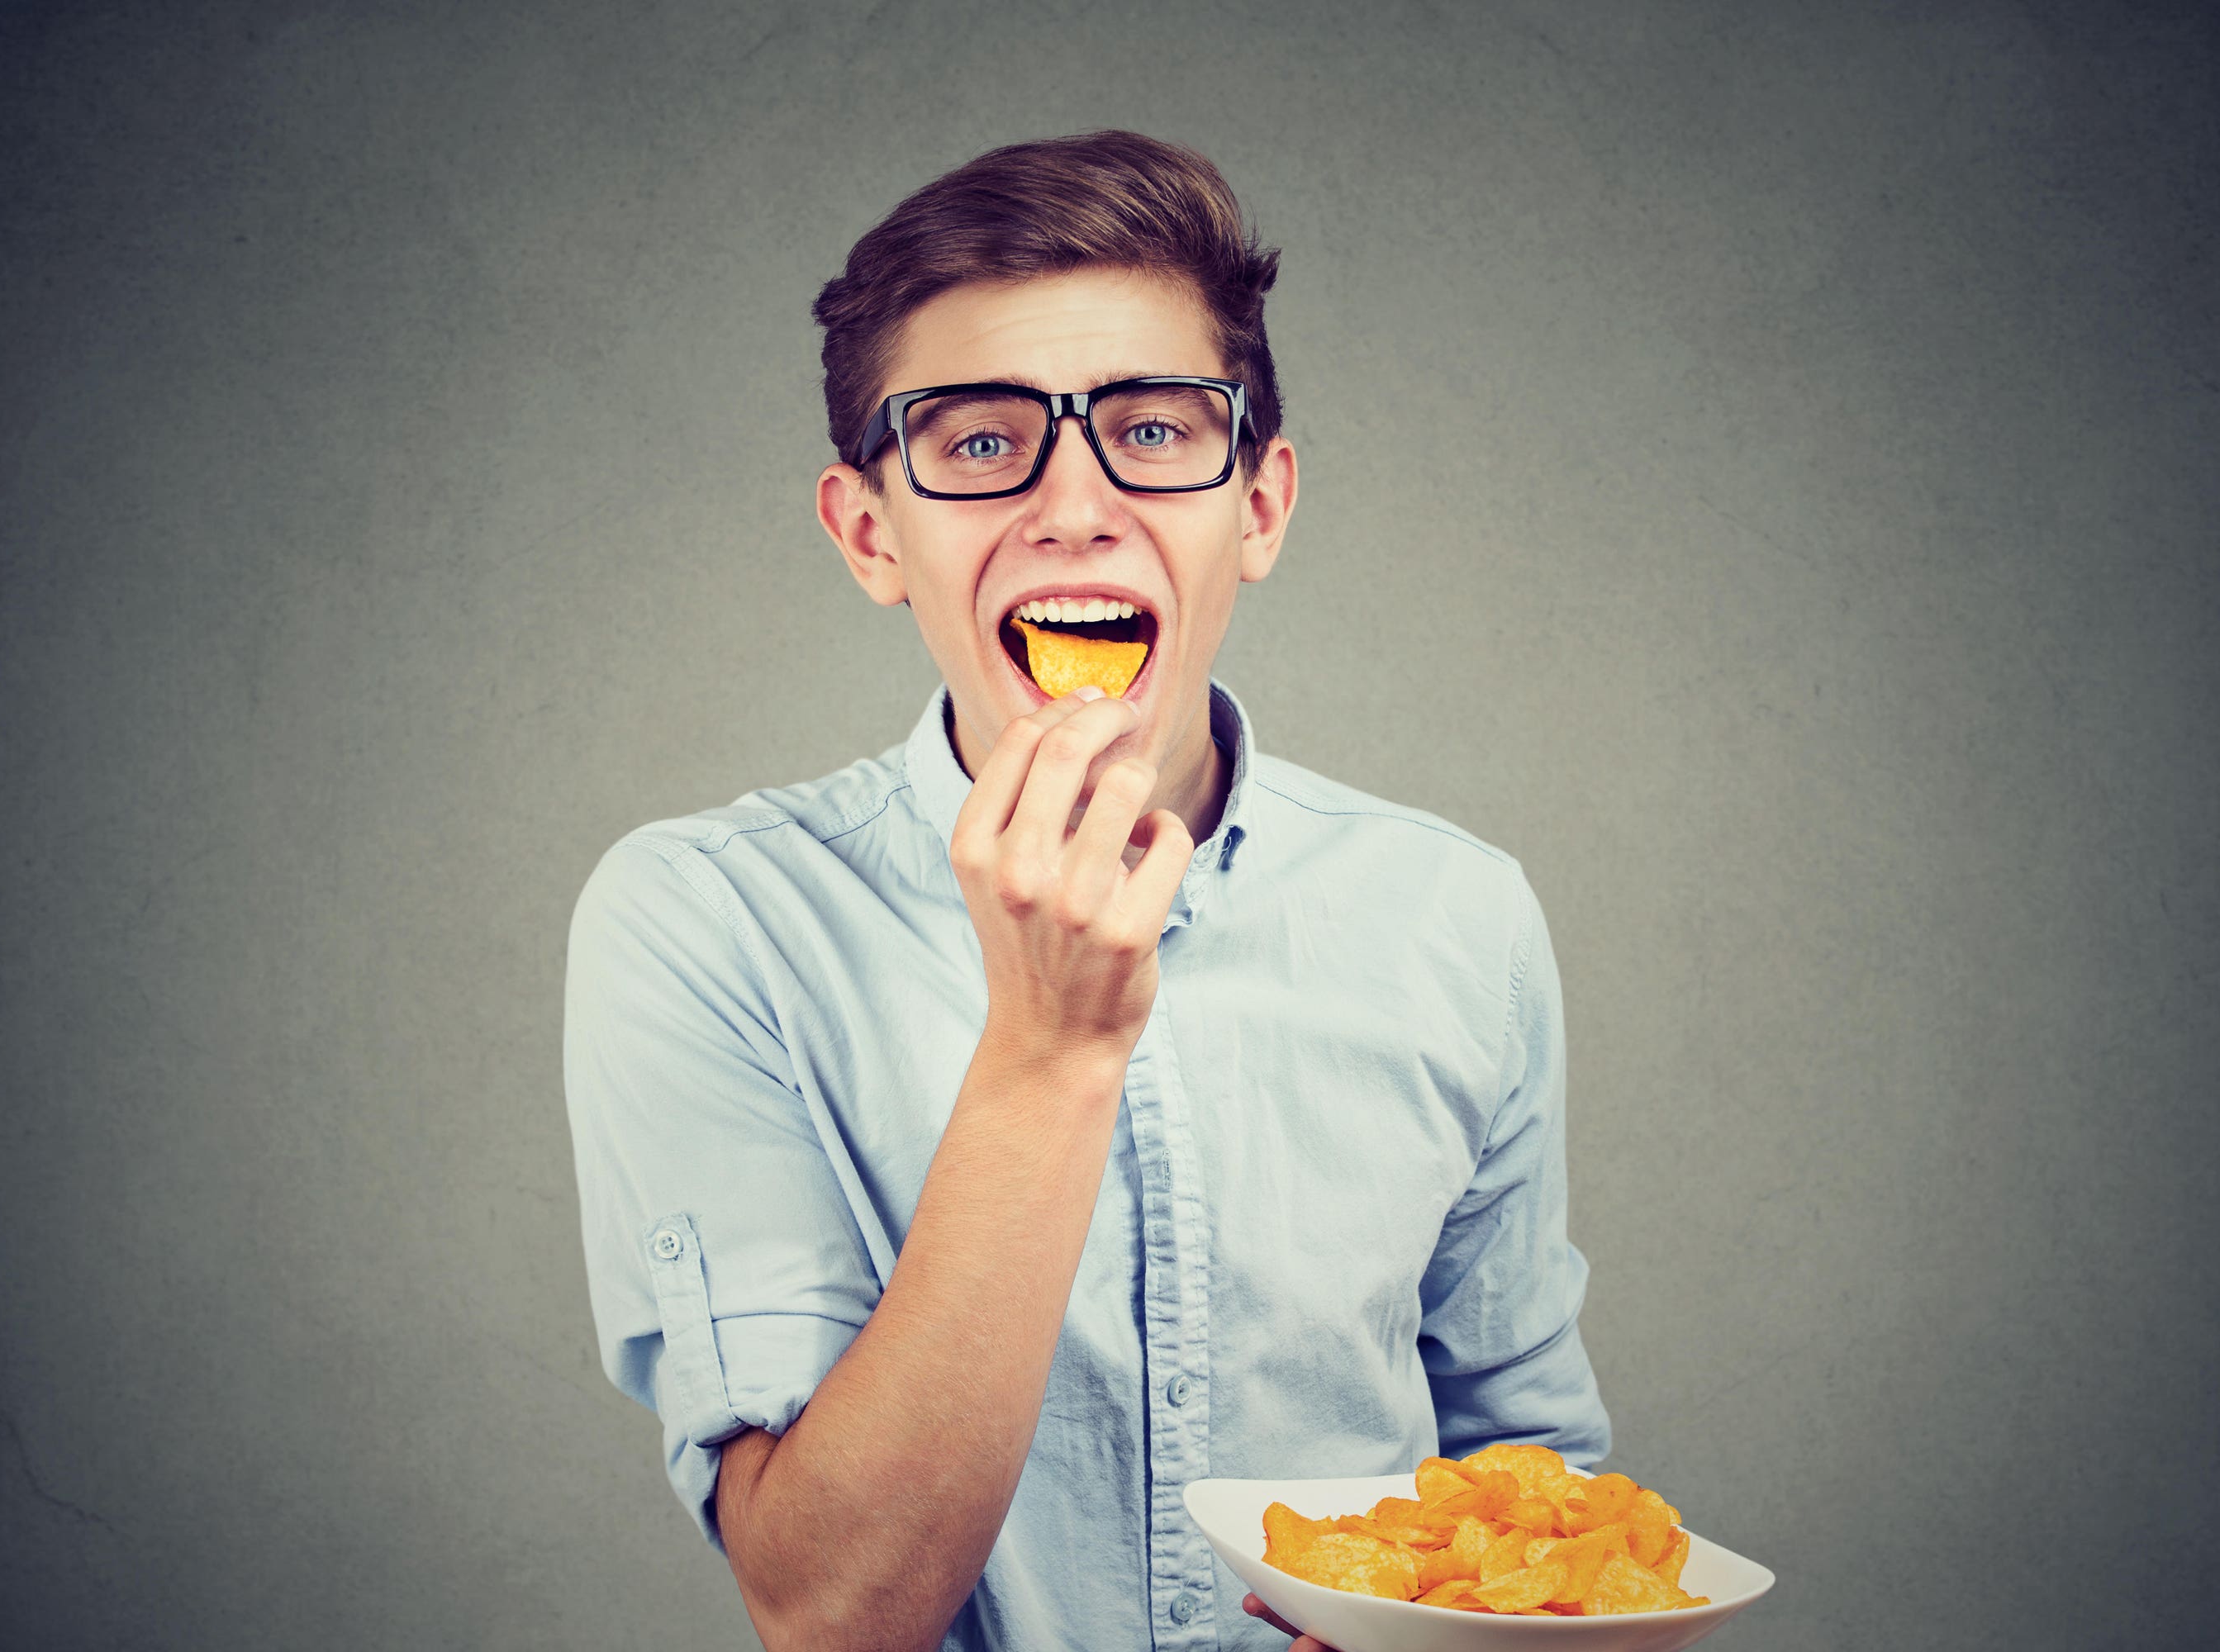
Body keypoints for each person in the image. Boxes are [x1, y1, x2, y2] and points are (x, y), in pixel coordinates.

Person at [563, 131, 1609, 1652]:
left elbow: (1535, 1486)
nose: (1073, 507)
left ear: (1258, 507)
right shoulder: (706, 922)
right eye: (981, 444)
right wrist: (1049, 1052)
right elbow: (828, 1608)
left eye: (1155, 431)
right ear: (873, 534)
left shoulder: (1459, 916)